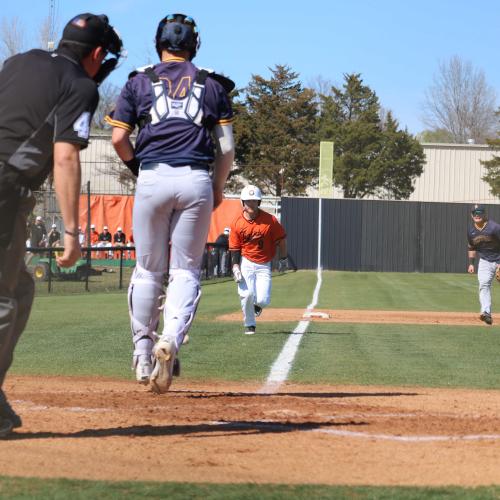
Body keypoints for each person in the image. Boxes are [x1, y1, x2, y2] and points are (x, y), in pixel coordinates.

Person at [0, 12, 123, 438]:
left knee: (20, 287)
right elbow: (66, 156)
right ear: (98, 53)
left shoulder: (20, 61)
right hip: (3, 190)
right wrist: (72, 232)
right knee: (2, 301)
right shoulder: (81, 85)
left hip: (9, 191)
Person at [107, 13, 234, 393]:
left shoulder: (138, 81)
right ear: (194, 45)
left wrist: (138, 169)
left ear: (158, 42)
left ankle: (143, 357)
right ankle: (172, 341)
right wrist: (217, 187)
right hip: (195, 179)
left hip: (151, 177)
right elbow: (225, 148)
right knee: (185, 271)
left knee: (147, 271)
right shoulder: (212, 84)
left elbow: (117, 139)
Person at [229, 185, 288, 335]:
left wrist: (283, 258)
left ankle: (257, 307)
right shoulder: (236, 222)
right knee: (247, 294)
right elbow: (235, 247)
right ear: (243, 202)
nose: (251, 204)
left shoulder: (270, 220)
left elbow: (281, 239)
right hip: (246, 261)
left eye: (254, 201)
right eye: (248, 201)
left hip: (264, 264)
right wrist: (235, 266)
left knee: (263, 300)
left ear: (259, 202)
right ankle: (250, 324)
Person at [467, 204, 500, 325]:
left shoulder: (494, 228)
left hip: (499, 260)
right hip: (485, 261)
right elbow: (471, 247)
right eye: (475, 213)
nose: (477, 215)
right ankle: (486, 313)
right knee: (484, 285)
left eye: (479, 212)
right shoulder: (471, 231)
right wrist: (471, 263)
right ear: (472, 215)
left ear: (484, 214)